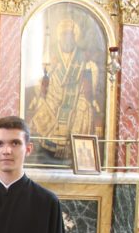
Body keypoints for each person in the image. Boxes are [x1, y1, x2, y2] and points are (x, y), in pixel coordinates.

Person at [27, 18, 100, 159]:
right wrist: (50, 72)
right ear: (59, 37)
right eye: (64, 35)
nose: (67, 39)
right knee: (43, 106)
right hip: (54, 96)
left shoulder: (83, 58)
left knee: (84, 108)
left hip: (76, 97)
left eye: (70, 36)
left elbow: (88, 85)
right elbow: (41, 81)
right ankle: (47, 148)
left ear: (75, 37)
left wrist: (91, 97)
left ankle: (76, 151)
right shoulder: (51, 55)